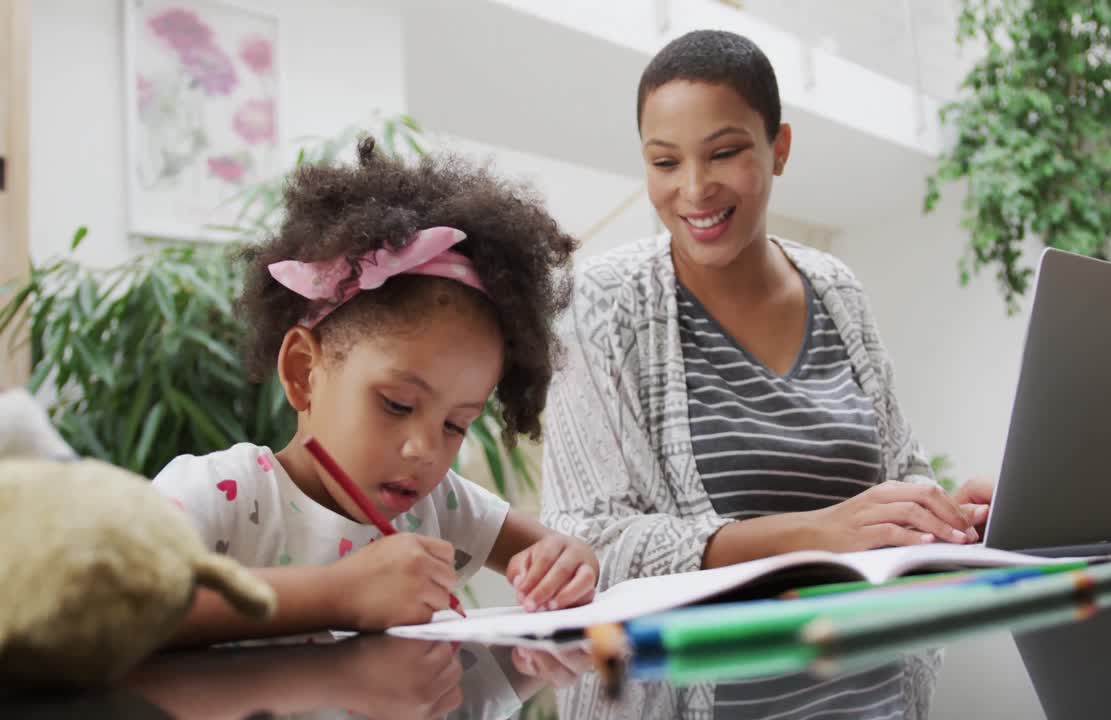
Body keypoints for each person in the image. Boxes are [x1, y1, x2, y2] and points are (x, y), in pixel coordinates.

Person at [541, 30, 993, 592]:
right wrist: (812, 533)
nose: (694, 187)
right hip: (710, 672)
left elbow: (898, 483)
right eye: (664, 161)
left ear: (779, 148)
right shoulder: (602, 302)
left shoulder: (837, 290)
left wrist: (949, 518)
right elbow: (584, 542)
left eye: (724, 153)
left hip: (872, 660)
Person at [154, 138, 598, 646]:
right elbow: (124, 600)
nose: (425, 449)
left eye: (457, 423)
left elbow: (554, 551)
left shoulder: (439, 507)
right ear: (303, 371)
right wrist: (337, 594)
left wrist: (568, 564)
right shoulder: (223, 494)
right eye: (397, 404)